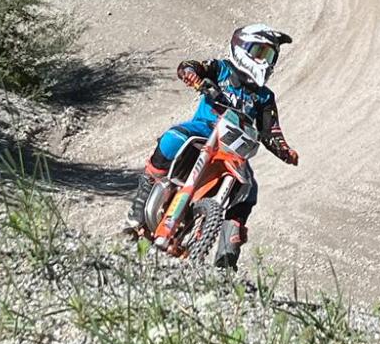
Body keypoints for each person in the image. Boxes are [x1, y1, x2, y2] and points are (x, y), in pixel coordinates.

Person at [125, 24, 299, 268]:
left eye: (270, 56)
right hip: (204, 129)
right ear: (242, 47)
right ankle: (139, 209)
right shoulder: (222, 69)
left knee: (248, 190)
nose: (265, 61)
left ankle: (227, 258)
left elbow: (270, 129)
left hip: (235, 146)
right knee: (172, 138)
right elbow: (193, 66)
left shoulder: (264, 97)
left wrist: (285, 150)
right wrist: (192, 74)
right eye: (260, 52)